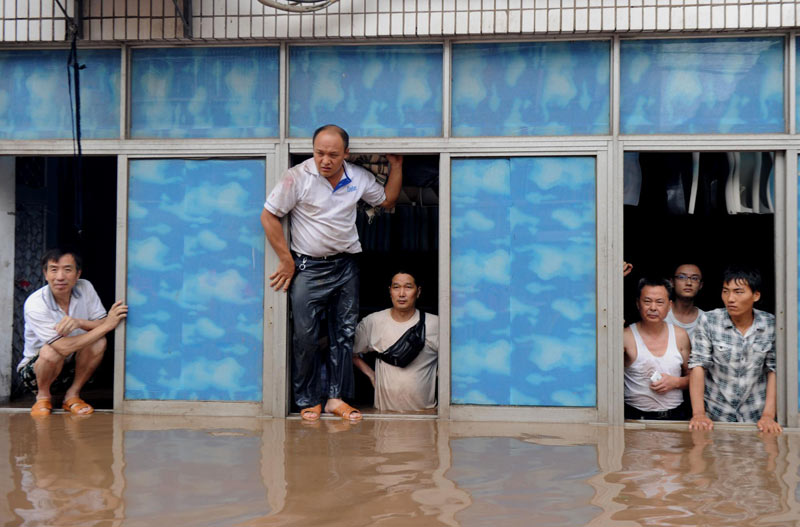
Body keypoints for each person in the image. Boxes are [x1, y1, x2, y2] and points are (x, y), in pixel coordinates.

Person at [260, 124, 403, 422]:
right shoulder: (297, 177)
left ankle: (335, 399)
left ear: (346, 154)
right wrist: (286, 260)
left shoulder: (358, 177)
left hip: (346, 265)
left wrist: (396, 166)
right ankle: (309, 399)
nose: (325, 160)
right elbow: (269, 216)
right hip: (308, 267)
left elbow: (387, 200)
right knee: (305, 336)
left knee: (344, 334)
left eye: (333, 155)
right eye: (319, 153)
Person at [19, 249, 127, 416]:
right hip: (36, 372)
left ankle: (72, 396)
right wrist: (107, 326)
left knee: (99, 342)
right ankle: (43, 398)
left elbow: (100, 322)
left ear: (78, 274)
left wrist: (80, 322)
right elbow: (63, 347)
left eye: (67, 269)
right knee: (51, 350)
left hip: (72, 366)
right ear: (45, 274)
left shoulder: (85, 287)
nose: (60, 277)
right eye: (54, 270)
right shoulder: (35, 304)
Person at [688, 265, 781, 433]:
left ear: (756, 295)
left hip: (756, 416)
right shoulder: (709, 320)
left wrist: (768, 415)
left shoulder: (770, 324)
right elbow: (698, 365)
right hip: (716, 415)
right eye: (726, 291)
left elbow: (773, 370)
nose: (730, 298)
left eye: (738, 292)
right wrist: (699, 414)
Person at [352, 271, 439, 412]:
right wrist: (372, 375)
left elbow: (453, 363)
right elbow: (349, 351)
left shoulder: (435, 324)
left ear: (418, 292)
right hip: (384, 414)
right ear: (390, 291)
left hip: (426, 414)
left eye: (408, 287)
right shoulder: (373, 321)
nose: (402, 294)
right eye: (396, 287)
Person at [623, 277, 691, 420]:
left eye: (659, 302)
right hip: (635, 417)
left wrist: (675, 382)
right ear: (638, 303)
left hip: (675, 416)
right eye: (647, 301)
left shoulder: (680, 335)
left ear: (669, 305)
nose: (653, 308)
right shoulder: (626, 336)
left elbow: (694, 378)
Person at [666, 263, 704, 338]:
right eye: (681, 277)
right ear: (672, 282)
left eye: (694, 278)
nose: (688, 283)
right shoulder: (661, 313)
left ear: (700, 285)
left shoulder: (705, 319)